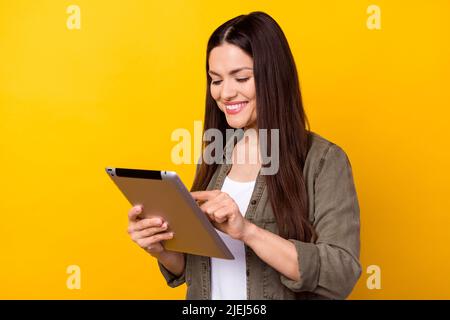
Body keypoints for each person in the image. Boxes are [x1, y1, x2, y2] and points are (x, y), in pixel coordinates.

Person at [127, 11, 361, 300]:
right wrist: (160, 250)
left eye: (241, 77)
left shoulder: (323, 160)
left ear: (273, 76)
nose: (225, 93)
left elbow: (341, 273)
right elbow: (199, 270)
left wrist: (247, 231)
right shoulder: (214, 155)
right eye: (215, 80)